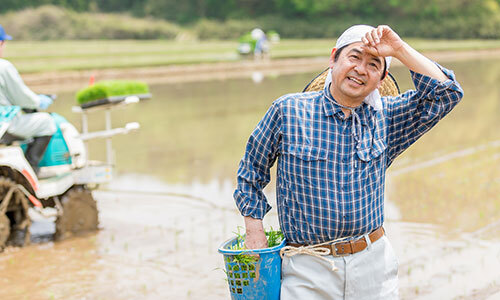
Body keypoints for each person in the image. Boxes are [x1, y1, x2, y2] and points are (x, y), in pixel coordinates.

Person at [233, 25, 463, 299]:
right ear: (333, 59)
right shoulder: (289, 110)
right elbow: (251, 171)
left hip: (373, 265)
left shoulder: (387, 118)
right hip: (307, 266)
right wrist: (254, 232)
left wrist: (399, 49)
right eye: (354, 57)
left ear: (381, 78)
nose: (361, 69)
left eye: (373, 64)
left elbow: (447, 93)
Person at [0, 24, 56, 174]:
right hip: (3, 126)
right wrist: (40, 100)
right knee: (46, 121)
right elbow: (22, 98)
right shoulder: (3, 67)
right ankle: (30, 170)